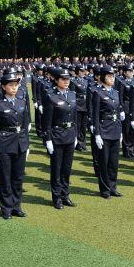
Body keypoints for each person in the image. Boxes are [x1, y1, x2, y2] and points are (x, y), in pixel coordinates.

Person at [0, 70, 30, 219]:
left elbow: (25, 127)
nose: (14, 87)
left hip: (20, 143)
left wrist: (27, 145)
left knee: (18, 177)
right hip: (5, 144)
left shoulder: (21, 102)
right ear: (3, 86)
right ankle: (6, 207)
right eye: (11, 85)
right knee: (6, 177)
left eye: (16, 85)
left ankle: (16, 205)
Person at [42, 68, 78, 209]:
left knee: (67, 168)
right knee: (56, 169)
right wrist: (48, 140)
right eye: (63, 79)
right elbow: (47, 121)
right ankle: (56, 197)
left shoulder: (72, 95)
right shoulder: (51, 97)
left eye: (68, 79)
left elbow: (75, 117)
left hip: (69, 135)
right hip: (56, 136)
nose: (66, 82)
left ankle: (65, 195)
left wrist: (75, 135)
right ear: (56, 80)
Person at [91, 65, 124, 199]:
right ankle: (104, 189)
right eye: (109, 76)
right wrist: (97, 134)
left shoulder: (115, 92)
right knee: (104, 162)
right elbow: (95, 115)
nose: (112, 78)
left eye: (113, 76)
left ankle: (113, 187)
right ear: (103, 77)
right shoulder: (97, 93)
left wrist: (121, 131)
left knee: (114, 162)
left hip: (115, 129)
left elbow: (117, 112)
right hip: (104, 130)